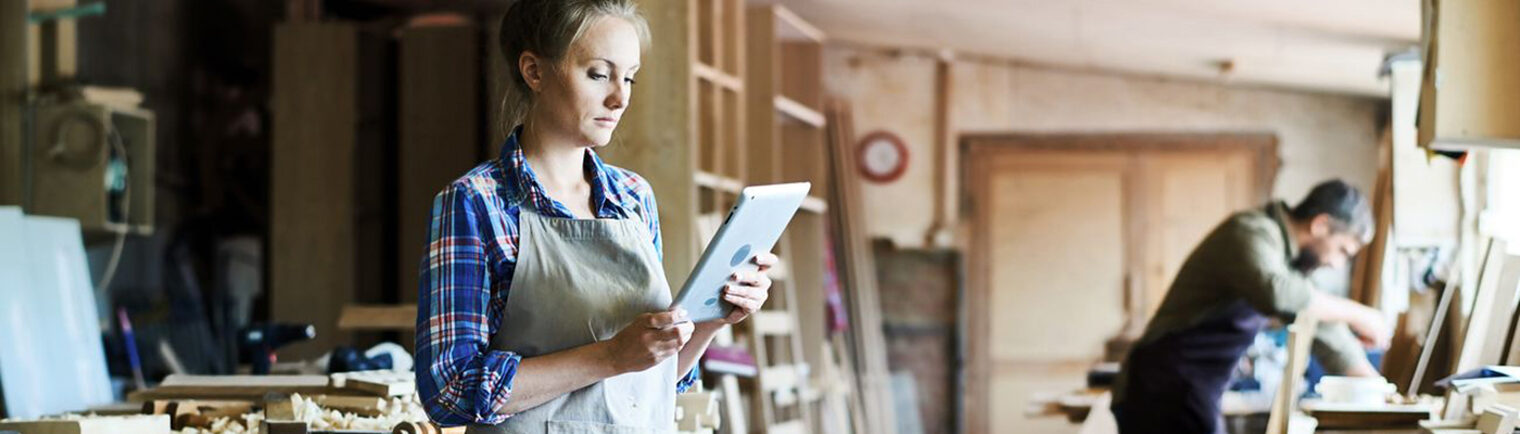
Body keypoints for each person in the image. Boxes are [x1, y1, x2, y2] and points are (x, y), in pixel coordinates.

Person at [413, 1, 778, 432]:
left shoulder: (633, 197)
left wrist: (713, 319)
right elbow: (450, 392)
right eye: (599, 74)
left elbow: (654, 380)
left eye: (629, 78)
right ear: (534, 71)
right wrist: (610, 356)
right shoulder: (476, 202)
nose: (620, 98)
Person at [1111, 179, 1392, 434]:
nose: (1337, 264)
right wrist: (1359, 314)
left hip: (1194, 388)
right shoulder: (1250, 232)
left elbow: (1320, 323)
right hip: (1159, 387)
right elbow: (1277, 293)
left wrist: (1376, 390)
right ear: (1320, 224)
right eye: (1342, 250)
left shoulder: (1288, 262)